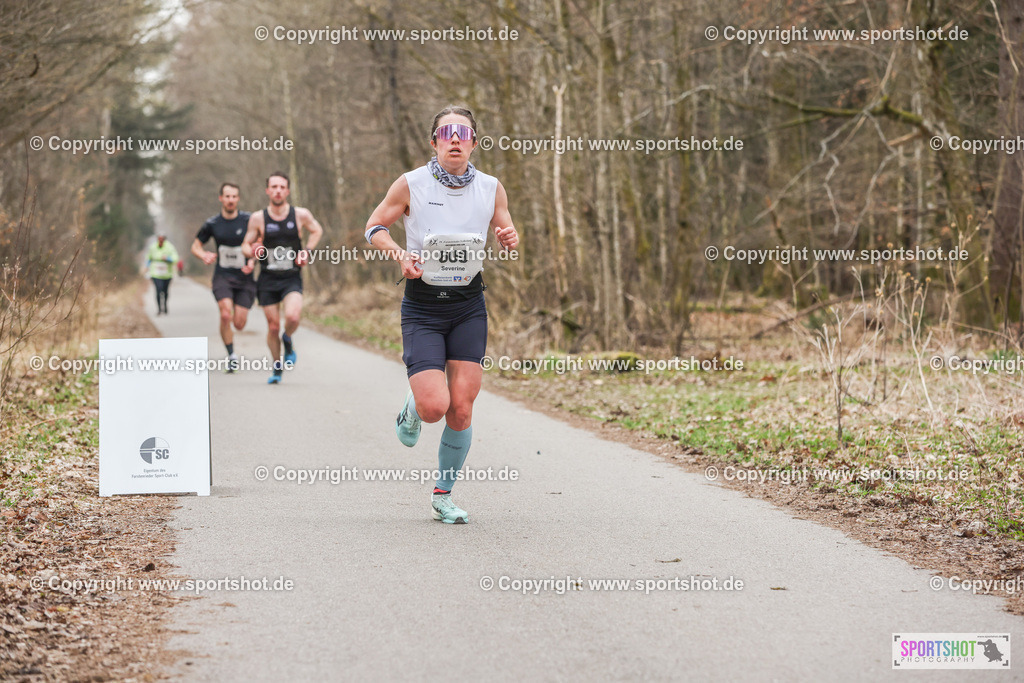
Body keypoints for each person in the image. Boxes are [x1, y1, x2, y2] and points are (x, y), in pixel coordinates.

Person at [365, 105, 519, 524]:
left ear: (473, 143)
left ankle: (443, 495)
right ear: (434, 142)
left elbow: (506, 230)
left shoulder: (491, 188)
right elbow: (374, 227)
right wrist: (400, 254)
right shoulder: (411, 183)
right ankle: (414, 406)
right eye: (446, 132)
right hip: (423, 307)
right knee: (435, 407)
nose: (454, 139)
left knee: (462, 409)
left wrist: (508, 237)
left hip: (468, 306)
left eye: (463, 133)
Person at [241, 171, 324, 384]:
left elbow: (317, 230)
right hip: (267, 279)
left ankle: (287, 339)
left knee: (293, 317)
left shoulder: (300, 215)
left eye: (282, 187)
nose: (278, 191)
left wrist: (307, 251)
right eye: (274, 187)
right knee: (273, 327)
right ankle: (277, 367)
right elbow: (245, 245)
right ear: (268, 190)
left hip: (291, 277)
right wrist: (253, 251)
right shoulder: (258, 218)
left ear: (287, 191)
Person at [191, 182, 256, 372]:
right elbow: (195, 246)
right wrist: (203, 255)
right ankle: (232, 355)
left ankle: (233, 332)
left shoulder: (249, 220)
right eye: (227, 196)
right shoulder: (212, 224)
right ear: (221, 198)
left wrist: (253, 260)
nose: (231, 200)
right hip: (223, 276)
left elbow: (260, 242)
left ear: (238, 199)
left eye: (234, 196)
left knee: (239, 323)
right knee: (226, 313)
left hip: (245, 278)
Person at [146, 232, 179, 315]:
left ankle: (165, 305)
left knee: (165, 291)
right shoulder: (153, 247)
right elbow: (149, 258)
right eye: (159, 239)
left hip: (167, 274)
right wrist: (147, 267)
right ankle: (159, 309)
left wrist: (168, 258)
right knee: (158, 290)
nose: (160, 240)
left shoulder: (170, 247)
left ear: (164, 239)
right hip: (155, 273)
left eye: (162, 239)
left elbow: (175, 258)